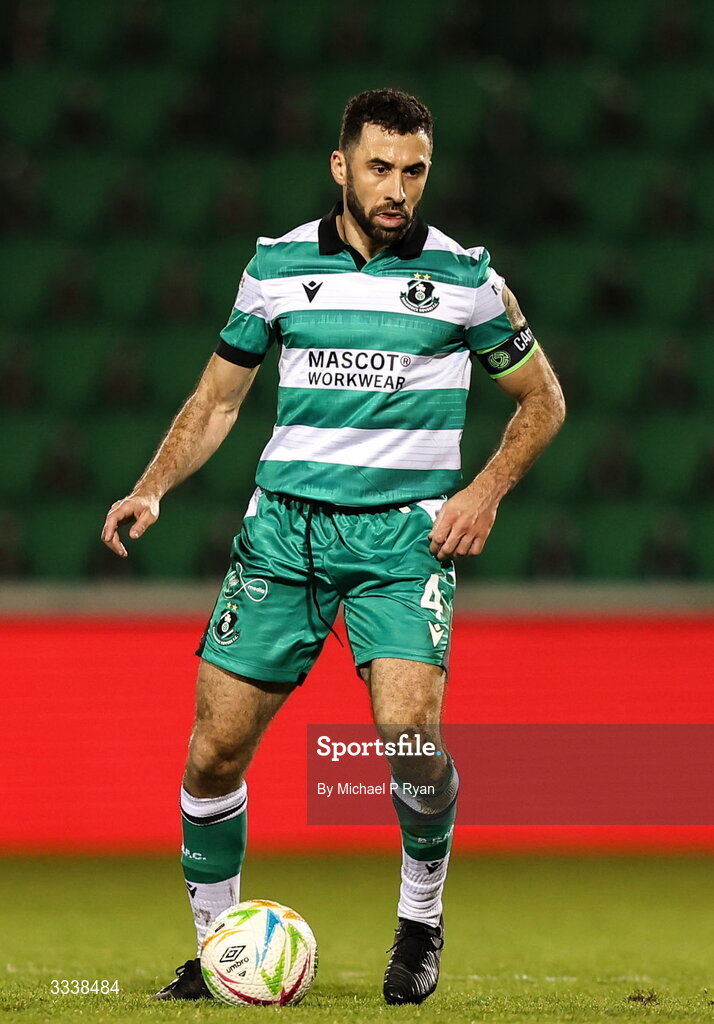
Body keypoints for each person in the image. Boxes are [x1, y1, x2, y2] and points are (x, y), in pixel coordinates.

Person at [101, 88, 565, 1005]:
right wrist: (152, 484)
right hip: (284, 535)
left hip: (403, 540)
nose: (398, 188)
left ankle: (420, 922)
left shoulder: (467, 278)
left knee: (407, 738)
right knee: (213, 753)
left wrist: (483, 490)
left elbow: (543, 401)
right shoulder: (275, 266)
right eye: (381, 167)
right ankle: (218, 948)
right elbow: (219, 402)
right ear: (340, 166)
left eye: (415, 170)